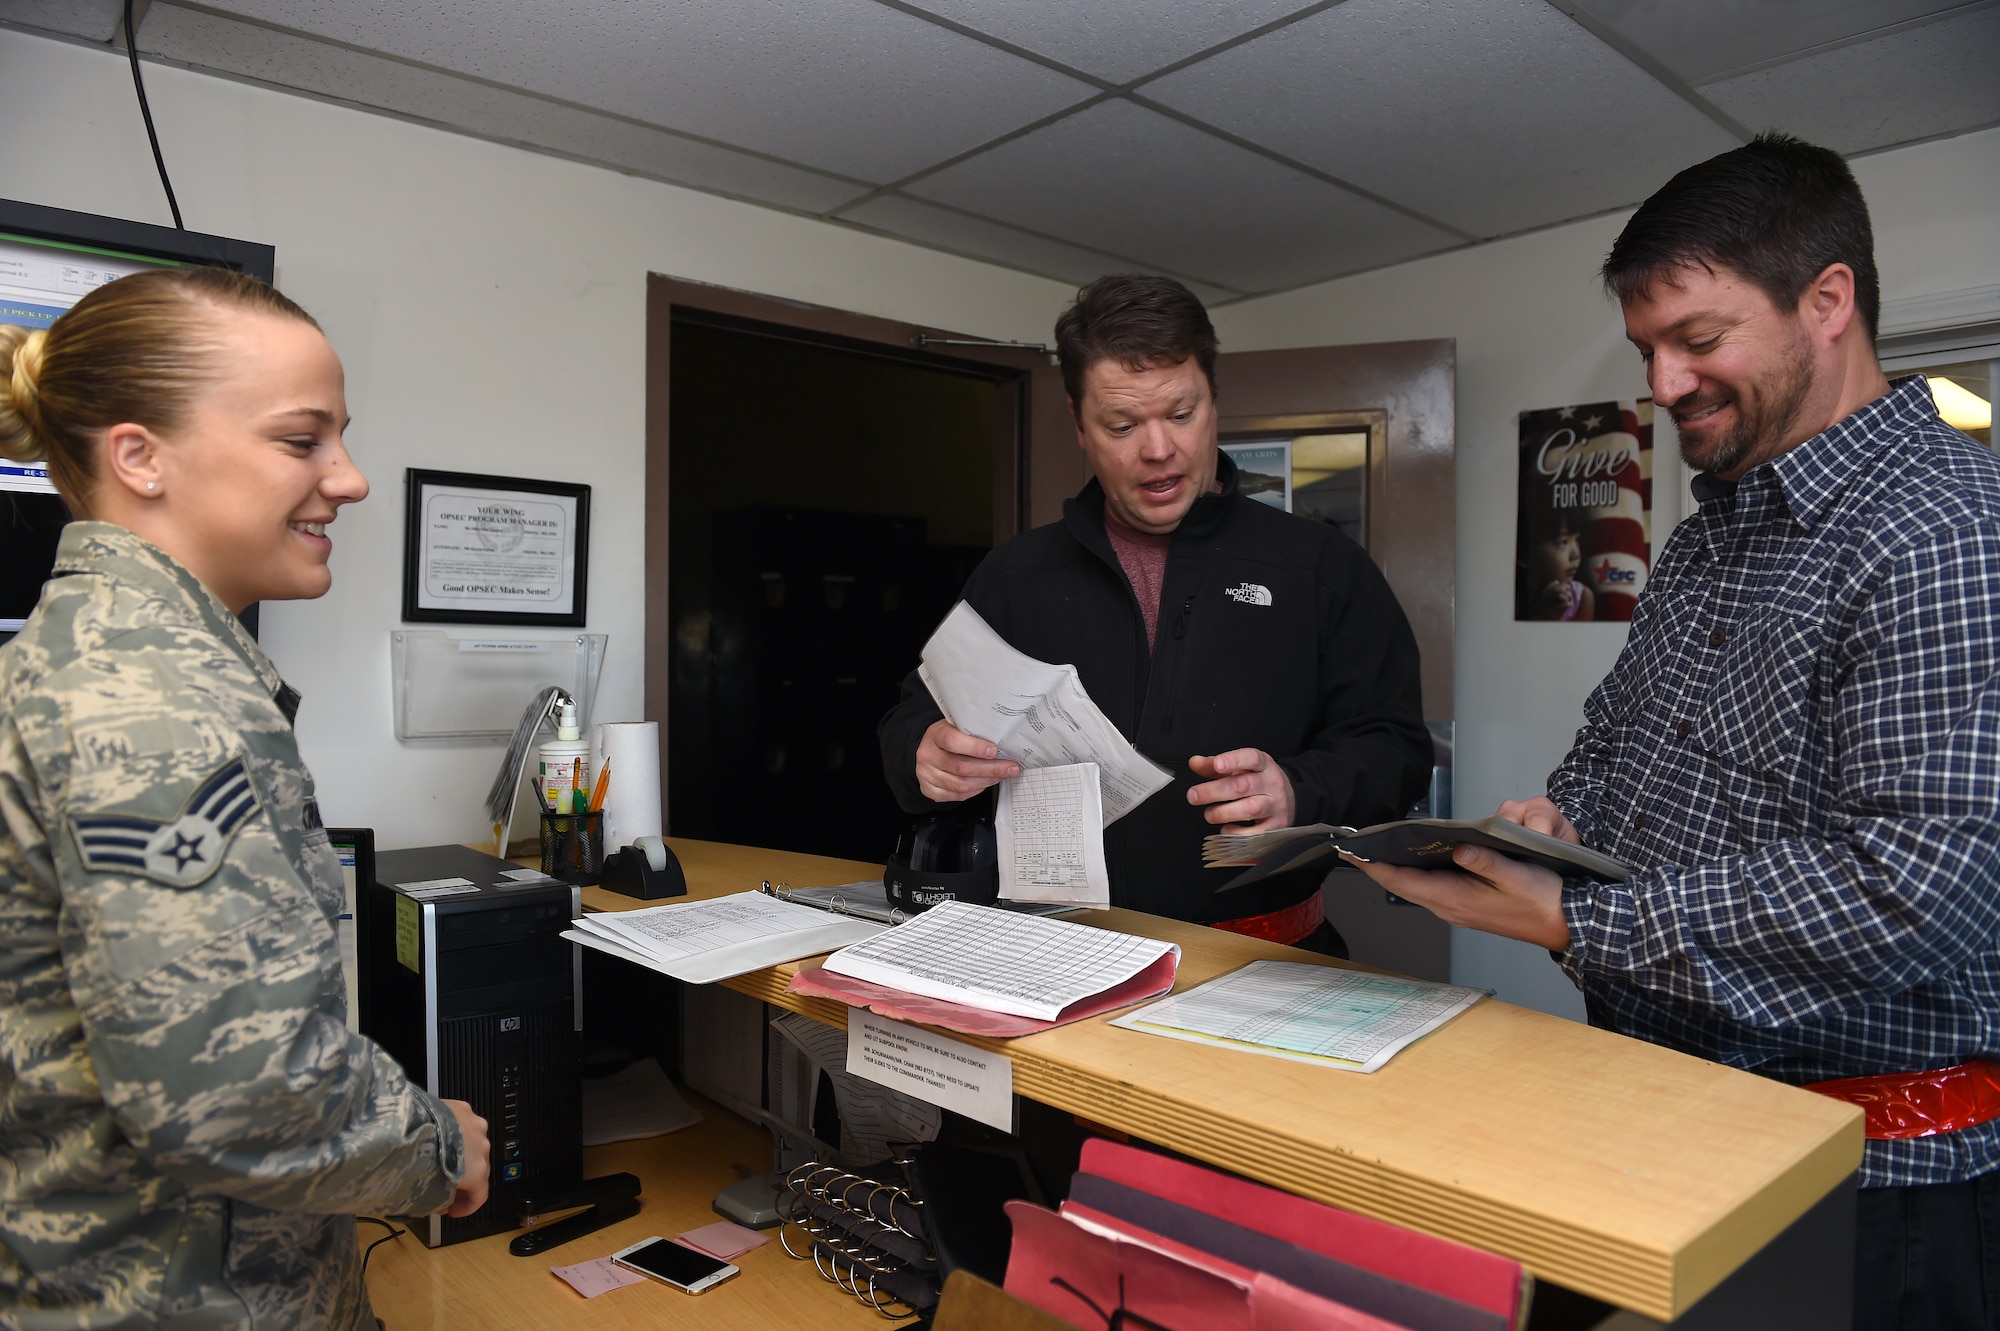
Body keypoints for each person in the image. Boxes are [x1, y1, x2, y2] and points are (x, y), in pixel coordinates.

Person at [1343, 134, 2000, 1327]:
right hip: (1663, 1119)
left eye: (1697, 340)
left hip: (1863, 1179)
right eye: (1649, 348)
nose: (1662, 384)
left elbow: (1923, 884)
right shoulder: (1708, 533)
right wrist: (1560, 826)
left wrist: (1581, 915)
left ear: (1827, 301)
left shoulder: (1941, 531)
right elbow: (1615, 742)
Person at [0, 268, 489, 1328]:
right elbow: (233, 1085)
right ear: (140, 457)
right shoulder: (145, 695)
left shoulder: (113, 656)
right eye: (300, 439)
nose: (350, 478)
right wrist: (434, 1143)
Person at [878, 275, 1433, 949]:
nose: (1159, 448)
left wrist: (1297, 788)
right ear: (1080, 426)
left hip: (1268, 962)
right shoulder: (1015, 576)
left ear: (1214, 403)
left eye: (1180, 413)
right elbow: (913, 717)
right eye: (1122, 424)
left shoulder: (1319, 567)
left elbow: (1398, 752)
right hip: (1051, 953)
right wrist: (923, 755)